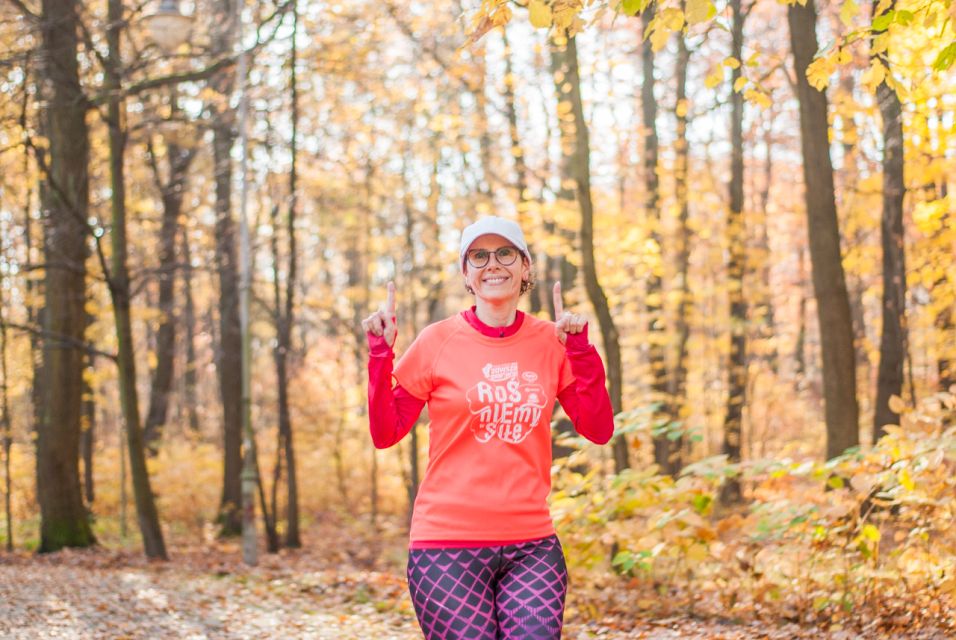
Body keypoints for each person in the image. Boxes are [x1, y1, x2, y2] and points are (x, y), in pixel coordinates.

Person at [361, 216, 614, 639]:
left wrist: (582, 352)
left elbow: (598, 429)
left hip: (532, 547)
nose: (492, 264)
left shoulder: (552, 342)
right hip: (445, 548)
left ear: (525, 266)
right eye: (479, 256)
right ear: (466, 273)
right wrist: (380, 355)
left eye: (505, 253)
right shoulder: (436, 341)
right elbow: (386, 433)